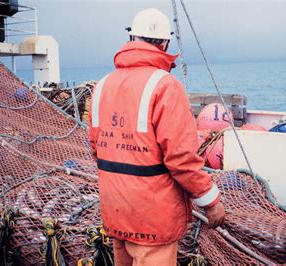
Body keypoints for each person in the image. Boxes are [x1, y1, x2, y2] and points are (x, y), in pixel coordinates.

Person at [89, 8, 226, 266]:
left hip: (115, 208)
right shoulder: (165, 85)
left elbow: (98, 149)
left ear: (132, 40)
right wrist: (211, 201)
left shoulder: (102, 85)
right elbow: (181, 159)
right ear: (164, 44)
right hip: (151, 216)